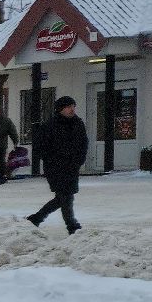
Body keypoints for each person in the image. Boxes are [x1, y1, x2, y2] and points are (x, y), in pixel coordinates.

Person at [28, 96, 89, 233]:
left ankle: (36, 218)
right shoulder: (50, 125)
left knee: (64, 197)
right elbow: (39, 146)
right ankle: (72, 226)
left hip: (72, 166)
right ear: (60, 109)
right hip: (55, 167)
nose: (72, 109)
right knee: (65, 196)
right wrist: (50, 159)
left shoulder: (78, 123)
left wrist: (80, 159)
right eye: (68, 107)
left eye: (73, 106)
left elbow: (84, 143)